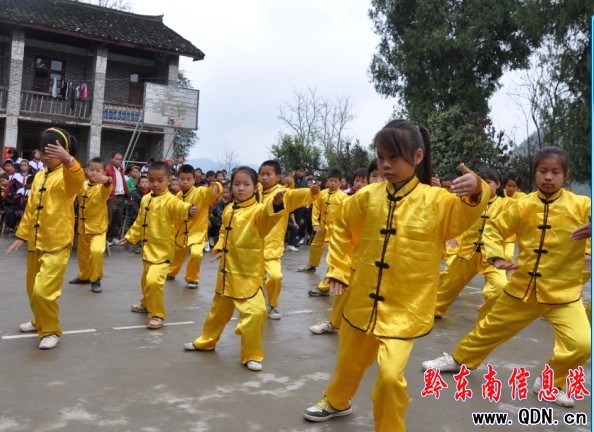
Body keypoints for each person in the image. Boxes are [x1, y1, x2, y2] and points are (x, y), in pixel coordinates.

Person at [302, 119, 489, 431]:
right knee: (348, 363)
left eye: (394, 157)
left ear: (417, 156)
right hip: (362, 301)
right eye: (380, 157)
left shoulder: (437, 200)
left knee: (389, 378)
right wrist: (338, 270)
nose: (386, 165)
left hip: (405, 307)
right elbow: (343, 229)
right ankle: (336, 402)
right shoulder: (366, 197)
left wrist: (477, 190)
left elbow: (464, 213)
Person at [422, 147, 591, 409]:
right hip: (523, 290)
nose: (548, 177)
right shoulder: (523, 205)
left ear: (565, 175)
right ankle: (458, 360)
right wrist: (496, 257)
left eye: (555, 172)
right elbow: (494, 229)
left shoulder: (583, 205)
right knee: (488, 330)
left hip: (564, 295)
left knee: (582, 344)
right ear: (534, 174)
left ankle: (550, 383)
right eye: (543, 171)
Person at [183, 167, 287, 371]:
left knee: (256, 313)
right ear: (231, 186)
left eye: (246, 184)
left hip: (248, 275)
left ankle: (252, 354)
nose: (241, 188)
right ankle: (206, 342)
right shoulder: (229, 209)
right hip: (226, 273)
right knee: (217, 313)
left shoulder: (258, 210)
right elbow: (224, 231)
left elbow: (267, 220)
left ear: (255, 187)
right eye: (237, 184)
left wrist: (276, 205)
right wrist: (220, 246)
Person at [6, 127, 85, 350]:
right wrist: (22, 235)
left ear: (64, 152)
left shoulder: (68, 175)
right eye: (44, 151)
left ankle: (50, 331)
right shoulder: (39, 175)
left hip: (57, 243)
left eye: (54, 152)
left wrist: (69, 160)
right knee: (32, 289)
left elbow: (78, 179)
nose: (47, 156)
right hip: (35, 241)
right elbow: (31, 208)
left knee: (44, 291)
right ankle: (38, 320)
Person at [118, 161, 197, 329]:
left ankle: (157, 314)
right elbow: (140, 222)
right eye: (151, 180)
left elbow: (180, 207)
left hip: (163, 252)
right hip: (147, 250)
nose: (155, 184)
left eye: (160, 180)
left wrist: (189, 210)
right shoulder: (146, 199)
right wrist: (130, 236)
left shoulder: (170, 200)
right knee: (145, 282)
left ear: (169, 180)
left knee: (154, 282)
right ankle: (146, 304)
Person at [309, 162, 383, 335]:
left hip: (384, 264)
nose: (379, 180)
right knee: (344, 292)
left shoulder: (401, 204)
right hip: (356, 258)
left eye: (383, 176)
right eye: (374, 175)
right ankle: (334, 323)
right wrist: (339, 268)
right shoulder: (353, 202)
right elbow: (342, 232)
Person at [433, 168, 509, 320]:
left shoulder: (507, 204)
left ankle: (486, 318)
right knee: (448, 287)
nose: (484, 187)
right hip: (467, 254)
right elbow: (449, 205)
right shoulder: (468, 201)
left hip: (492, 257)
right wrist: (437, 189)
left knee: (500, 286)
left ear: (498, 184)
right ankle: (434, 311)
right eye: (481, 183)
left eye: (488, 183)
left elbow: (529, 208)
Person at [258, 160, 319, 320]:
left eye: (268, 174)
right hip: (251, 246)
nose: (264, 178)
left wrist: (311, 192)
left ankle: (272, 305)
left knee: (275, 277)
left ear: (278, 177)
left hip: (272, 247)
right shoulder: (254, 190)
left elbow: (297, 194)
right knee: (252, 280)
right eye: (261, 174)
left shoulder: (283, 193)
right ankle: (254, 304)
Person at [167, 164, 222, 289]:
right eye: (182, 179)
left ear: (194, 180)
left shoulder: (200, 192)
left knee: (196, 254)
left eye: (188, 179)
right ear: (177, 179)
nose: (185, 182)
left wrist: (216, 187)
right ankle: (171, 272)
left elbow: (210, 193)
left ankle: (192, 278)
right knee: (177, 254)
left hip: (198, 232)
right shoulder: (177, 197)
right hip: (181, 232)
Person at [299, 169, 348, 297]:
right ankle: (312, 264)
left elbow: (345, 214)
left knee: (333, 258)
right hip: (322, 228)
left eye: (335, 181)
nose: (332, 183)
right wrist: (315, 223)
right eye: (330, 181)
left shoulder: (343, 197)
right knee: (315, 246)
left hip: (336, 231)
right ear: (327, 181)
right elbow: (316, 208)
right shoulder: (322, 194)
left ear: (340, 183)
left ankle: (325, 287)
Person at [69, 157, 113, 293]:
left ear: (104, 172)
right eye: (91, 170)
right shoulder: (82, 185)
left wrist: (107, 180)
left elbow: (108, 186)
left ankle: (96, 279)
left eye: (98, 171)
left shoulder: (102, 188)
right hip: (83, 227)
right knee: (82, 255)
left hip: (98, 228)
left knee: (97, 252)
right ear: (86, 170)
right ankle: (84, 277)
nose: (94, 173)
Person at [106, 151, 129, 244]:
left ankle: (113, 237)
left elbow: (123, 183)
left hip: (121, 197)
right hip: (112, 196)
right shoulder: (107, 169)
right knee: (109, 218)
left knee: (118, 219)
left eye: (120, 159)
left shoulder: (121, 170)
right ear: (112, 159)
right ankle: (106, 238)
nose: (118, 161)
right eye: (116, 159)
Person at [128, 175, 150, 254]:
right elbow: (135, 207)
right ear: (139, 184)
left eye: (146, 182)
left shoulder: (152, 193)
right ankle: (139, 246)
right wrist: (143, 214)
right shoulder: (135, 194)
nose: (145, 184)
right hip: (137, 215)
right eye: (143, 182)